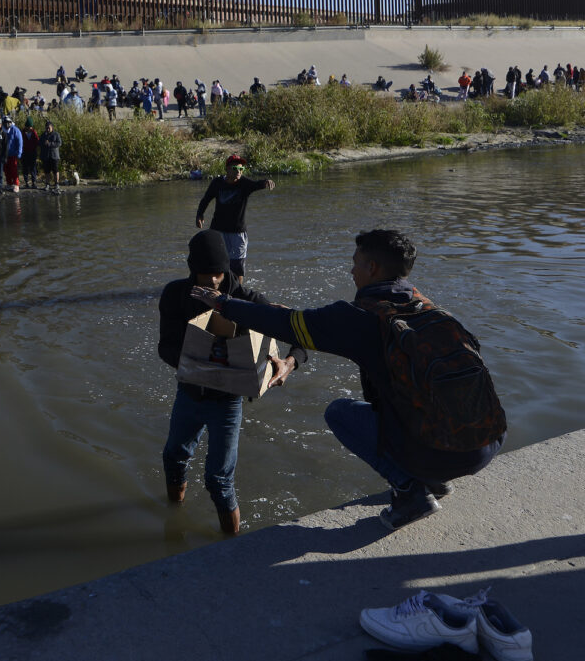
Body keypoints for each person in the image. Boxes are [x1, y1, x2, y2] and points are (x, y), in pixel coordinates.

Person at [189, 229, 507, 531]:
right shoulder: (426, 308)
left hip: (439, 453)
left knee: (340, 413)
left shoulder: (361, 318)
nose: (352, 271)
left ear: (372, 267)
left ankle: (411, 492)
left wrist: (223, 303)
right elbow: (298, 320)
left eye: (355, 263)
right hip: (485, 445)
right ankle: (435, 478)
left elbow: (286, 325)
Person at [159, 230, 306, 535]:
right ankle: (173, 520)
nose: (212, 281)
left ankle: (231, 544)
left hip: (226, 401)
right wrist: (192, 360)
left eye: (218, 274)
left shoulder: (246, 300)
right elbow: (165, 346)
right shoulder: (175, 295)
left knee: (219, 479)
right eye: (205, 274)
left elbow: (300, 335)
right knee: (173, 457)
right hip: (189, 392)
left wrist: (288, 363)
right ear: (191, 269)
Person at [195, 154, 275, 281]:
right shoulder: (217, 183)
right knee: (216, 262)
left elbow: (257, 184)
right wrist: (199, 215)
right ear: (227, 169)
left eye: (241, 169)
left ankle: (238, 293)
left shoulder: (244, 184)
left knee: (237, 267)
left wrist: (266, 182)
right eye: (235, 169)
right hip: (218, 230)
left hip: (238, 233)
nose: (239, 172)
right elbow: (205, 200)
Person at [38, 119, 62, 192]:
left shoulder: (56, 134)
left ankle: (57, 184)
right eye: (46, 128)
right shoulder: (43, 135)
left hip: (54, 156)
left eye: (49, 127)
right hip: (46, 156)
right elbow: (39, 143)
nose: (48, 129)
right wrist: (44, 143)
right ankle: (47, 184)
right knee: (47, 171)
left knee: (55, 170)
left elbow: (59, 143)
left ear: (52, 127)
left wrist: (50, 144)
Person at [20, 118, 40, 189]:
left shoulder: (34, 132)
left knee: (33, 168)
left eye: (31, 126)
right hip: (24, 152)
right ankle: (26, 182)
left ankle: (34, 182)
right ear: (26, 126)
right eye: (28, 126)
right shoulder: (22, 132)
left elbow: (37, 141)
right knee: (25, 168)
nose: (29, 128)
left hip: (32, 152)